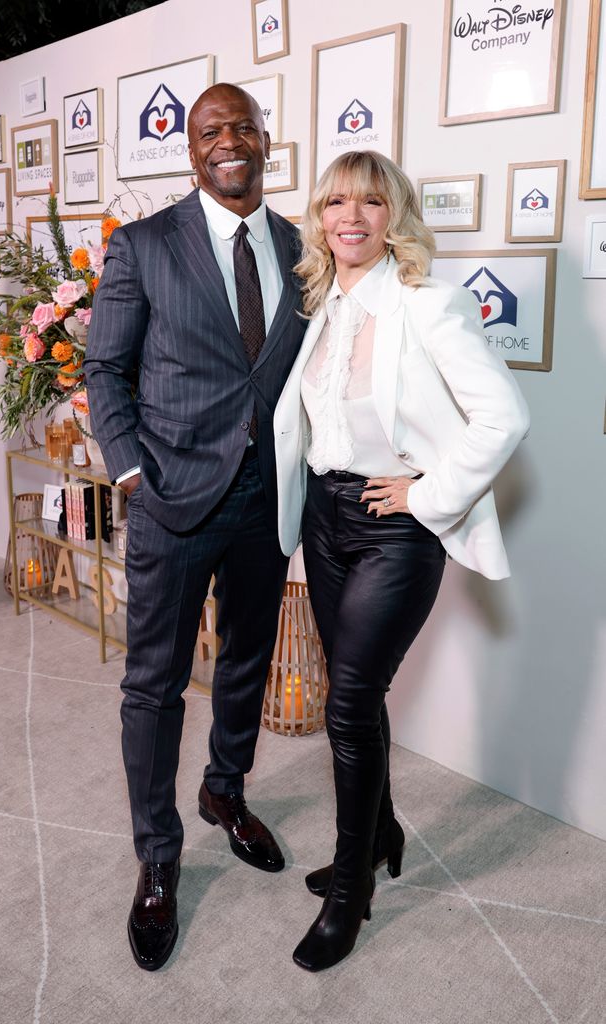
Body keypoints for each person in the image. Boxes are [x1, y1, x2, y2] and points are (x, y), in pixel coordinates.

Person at [274, 150, 530, 972]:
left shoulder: (428, 303)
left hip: (397, 528)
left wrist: (425, 494)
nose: (351, 217)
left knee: (346, 703)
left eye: (371, 203)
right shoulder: (320, 306)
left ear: (395, 217)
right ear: (318, 219)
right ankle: (380, 831)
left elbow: (503, 419)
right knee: (354, 687)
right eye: (335, 203)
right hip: (325, 516)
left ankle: (352, 887)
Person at [84, 83, 306, 971]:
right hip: (174, 502)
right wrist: (134, 472)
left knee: (247, 660)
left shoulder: (297, 245)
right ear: (190, 150)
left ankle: (225, 791)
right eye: (210, 130)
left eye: (243, 127)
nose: (229, 142)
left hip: (265, 501)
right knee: (155, 686)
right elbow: (105, 368)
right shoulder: (142, 245)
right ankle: (157, 856)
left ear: (264, 139)